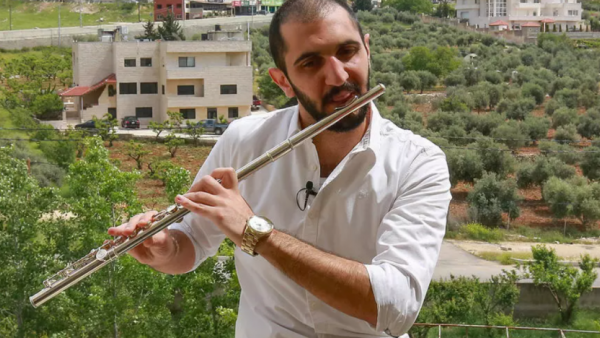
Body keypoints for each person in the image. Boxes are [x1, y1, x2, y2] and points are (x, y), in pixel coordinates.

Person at [108, 0, 452, 337]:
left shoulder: (418, 163)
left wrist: (256, 233)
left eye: (348, 51)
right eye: (310, 63)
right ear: (282, 81)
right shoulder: (244, 140)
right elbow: (193, 241)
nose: (338, 75)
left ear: (367, 49)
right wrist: (164, 248)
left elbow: (395, 307)